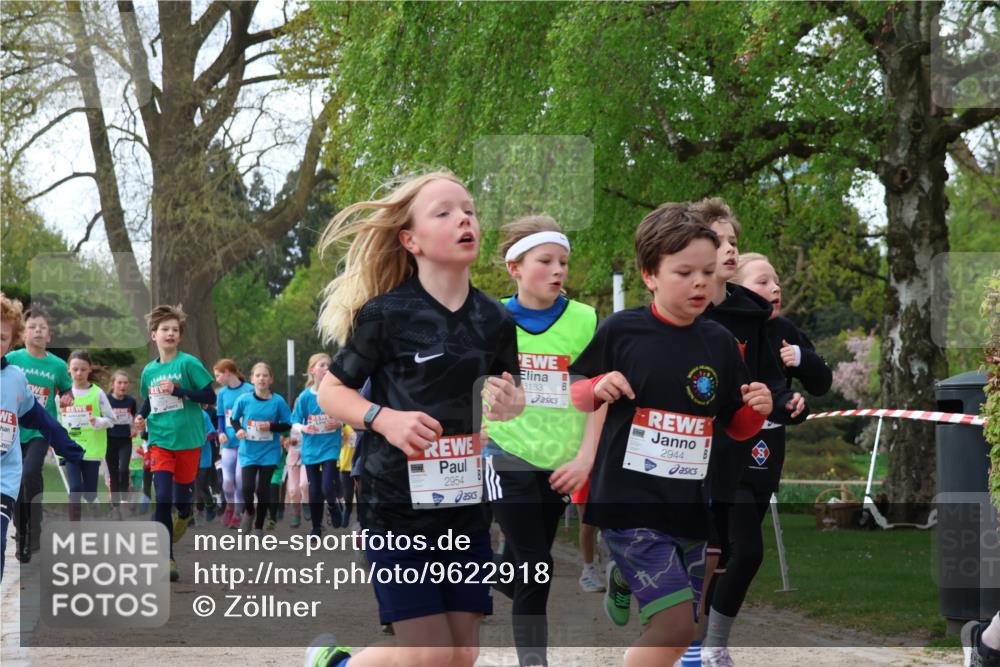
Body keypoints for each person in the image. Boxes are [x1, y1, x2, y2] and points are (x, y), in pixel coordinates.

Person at [305, 170, 523, 667]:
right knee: (428, 655)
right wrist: (385, 419)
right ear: (411, 240)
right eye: (443, 212)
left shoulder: (495, 320)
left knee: (461, 656)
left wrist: (510, 403)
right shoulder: (386, 313)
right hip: (395, 502)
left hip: (463, 502)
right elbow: (331, 393)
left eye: (468, 209)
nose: (463, 218)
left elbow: (514, 392)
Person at [567, 202, 772, 667]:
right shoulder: (622, 330)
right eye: (684, 272)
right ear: (650, 275)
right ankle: (624, 567)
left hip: (688, 504)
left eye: (706, 270)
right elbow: (576, 393)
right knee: (676, 626)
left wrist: (757, 411)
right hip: (628, 502)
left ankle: (623, 576)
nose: (700, 282)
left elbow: (734, 424)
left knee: (687, 630)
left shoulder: (719, 342)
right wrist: (597, 387)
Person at [688, 198, 806, 667]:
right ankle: (696, 642)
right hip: (690, 451)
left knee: (733, 552)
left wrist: (785, 403)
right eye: (719, 242)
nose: (730, 250)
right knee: (704, 550)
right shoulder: (684, 310)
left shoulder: (753, 312)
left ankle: (708, 645)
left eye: (734, 241)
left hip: (744, 449)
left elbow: (769, 379)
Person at [482, 215, 601, 667]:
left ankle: (459, 566)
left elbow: (598, 391)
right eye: (546, 261)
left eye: (563, 262)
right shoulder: (489, 316)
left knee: (520, 571)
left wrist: (586, 457)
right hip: (505, 453)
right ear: (514, 265)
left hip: (560, 462)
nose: (558, 271)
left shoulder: (586, 320)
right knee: (537, 567)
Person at [1, 293, 84, 579]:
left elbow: (56, 403)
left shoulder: (46, 369)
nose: (37, 331)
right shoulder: (14, 359)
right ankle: (23, 532)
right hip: (14, 435)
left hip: (27, 443)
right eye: (32, 326)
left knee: (29, 476)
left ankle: (31, 533)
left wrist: (66, 403)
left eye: (42, 328)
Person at [134, 304, 217, 582]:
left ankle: (184, 513)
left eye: (174, 330)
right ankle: (166, 557)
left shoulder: (188, 363)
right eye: (164, 329)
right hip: (160, 440)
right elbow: (149, 400)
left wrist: (179, 390)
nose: (170, 333)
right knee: (163, 497)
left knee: (181, 500)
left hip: (188, 441)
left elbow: (209, 396)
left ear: (179, 336)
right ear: (153, 335)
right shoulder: (148, 371)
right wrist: (140, 416)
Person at [230, 361, 292, 535]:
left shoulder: (278, 401)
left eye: (265, 375)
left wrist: (271, 427)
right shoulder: (244, 399)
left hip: (269, 452)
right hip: (249, 451)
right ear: (252, 379)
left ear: (271, 379)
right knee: (247, 488)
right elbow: (234, 419)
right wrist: (239, 430)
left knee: (263, 489)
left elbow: (288, 424)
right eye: (258, 375)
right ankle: (249, 512)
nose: (261, 378)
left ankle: (258, 526)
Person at [291, 353, 343, 536]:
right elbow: (294, 420)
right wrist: (303, 428)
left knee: (327, 485)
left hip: (330, 445)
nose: (326, 369)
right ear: (312, 370)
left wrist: (339, 423)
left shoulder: (336, 393)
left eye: (329, 366)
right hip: (311, 447)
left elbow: (346, 414)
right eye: (322, 365)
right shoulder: (305, 397)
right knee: (314, 489)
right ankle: (316, 526)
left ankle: (333, 506)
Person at [61, 350, 116, 517]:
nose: (79, 373)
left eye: (83, 369)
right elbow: (57, 419)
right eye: (75, 369)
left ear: (89, 370)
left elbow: (111, 419)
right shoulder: (64, 394)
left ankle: (94, 507)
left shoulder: (97, 393)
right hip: (71, 448)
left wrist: (98, 422)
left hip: (92, 450)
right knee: (75, 489)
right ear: (69, 370)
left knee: (90, 493)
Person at [214, 359, 253, 529]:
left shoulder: (249, 390)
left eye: (218, 375)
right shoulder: (222, 393)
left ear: (228, 372)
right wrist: (221, 432)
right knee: (228, 481)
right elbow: (221, 416)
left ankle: (237, 514)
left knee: (239, 478)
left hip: (246, 442)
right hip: (228, 441)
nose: (216, 379)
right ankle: (229, 505)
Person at [106, 370, 137, 518]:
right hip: (109, 440)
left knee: (123, 469)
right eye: (119, 382)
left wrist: (135, 428)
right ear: (113, 385)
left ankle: (124, 498)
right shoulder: (105, 400)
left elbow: (135, 418)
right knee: (113, 473)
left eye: (125, 383)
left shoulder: (131, 401)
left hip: (125, 440)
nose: (122, 385)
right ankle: (115, 507)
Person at [195, 407, 220, 523]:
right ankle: (197, 510)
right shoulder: (180, 413)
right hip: (188, 456)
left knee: (201, 484)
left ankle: (209, 506)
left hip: (203, 456)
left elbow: (213, 432)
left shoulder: (202, 414)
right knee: (193, 485)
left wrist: (202, 438)